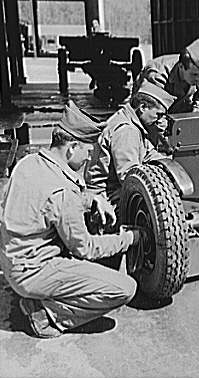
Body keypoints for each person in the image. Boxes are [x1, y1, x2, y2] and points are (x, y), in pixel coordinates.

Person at [0, 102, 147, 338]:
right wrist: (129, 238)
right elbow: (85, 248)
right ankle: (46, 314)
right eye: (88, 151)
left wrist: (91, 200)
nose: (90, 158)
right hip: (33, 272)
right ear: (72, 147)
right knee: (124, 289)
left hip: (11, 260)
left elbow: (46, 204)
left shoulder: (28, 163)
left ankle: (39, 296)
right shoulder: (63, 193)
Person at [85, 80, 174, 209]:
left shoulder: (131, 120)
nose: (160, 120)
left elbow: (149, 153)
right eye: (158, 115)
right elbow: (130, 178)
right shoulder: (127, 131)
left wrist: (171, 165)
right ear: (143, 107)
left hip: (116, 188)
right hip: (105, 197)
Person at [133, 38, 199, 114]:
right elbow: (150, 113)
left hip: (179, 107)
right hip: (146, 110)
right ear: (181, 66)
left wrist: (194, 115)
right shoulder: (158, 75)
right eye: (194, 74)